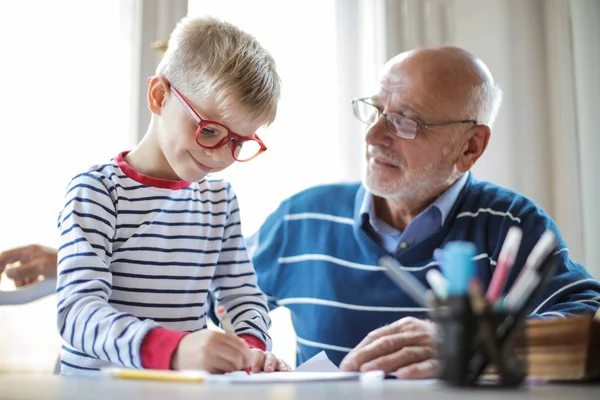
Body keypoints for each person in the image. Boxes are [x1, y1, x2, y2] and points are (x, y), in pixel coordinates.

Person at [249, 46, 600, 379]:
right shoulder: (303, 219)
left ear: (470, 146)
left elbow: (589, 318)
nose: (372, 135)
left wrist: (474, 342)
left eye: (405, 121)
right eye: (375, 110)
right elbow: (206, 294)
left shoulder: (510, 225)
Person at [55, 16, 288, 376]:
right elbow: (77, 312)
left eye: (239, 143)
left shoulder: (220, 201)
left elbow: (242, 296)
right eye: (209, 130)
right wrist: (173, 350)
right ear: (159, 96)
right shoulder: (98, 191)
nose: (220, 156)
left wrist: (250, 349)